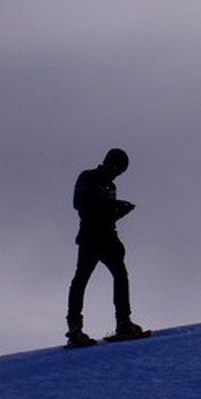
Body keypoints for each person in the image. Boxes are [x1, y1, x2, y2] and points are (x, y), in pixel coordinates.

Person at [65, 148, 143, 346]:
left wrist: (120, 210)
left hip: (109, 237)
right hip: (90, 237)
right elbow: (81, 206)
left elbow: (107, 213)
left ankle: (123, 321)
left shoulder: (110, 186)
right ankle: (74, 328)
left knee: (120, 275)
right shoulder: (87, 177)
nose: (117, 173)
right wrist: (114, 206)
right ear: (108, 162)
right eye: (117, 168)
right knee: (81, 279)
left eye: (121, 171)